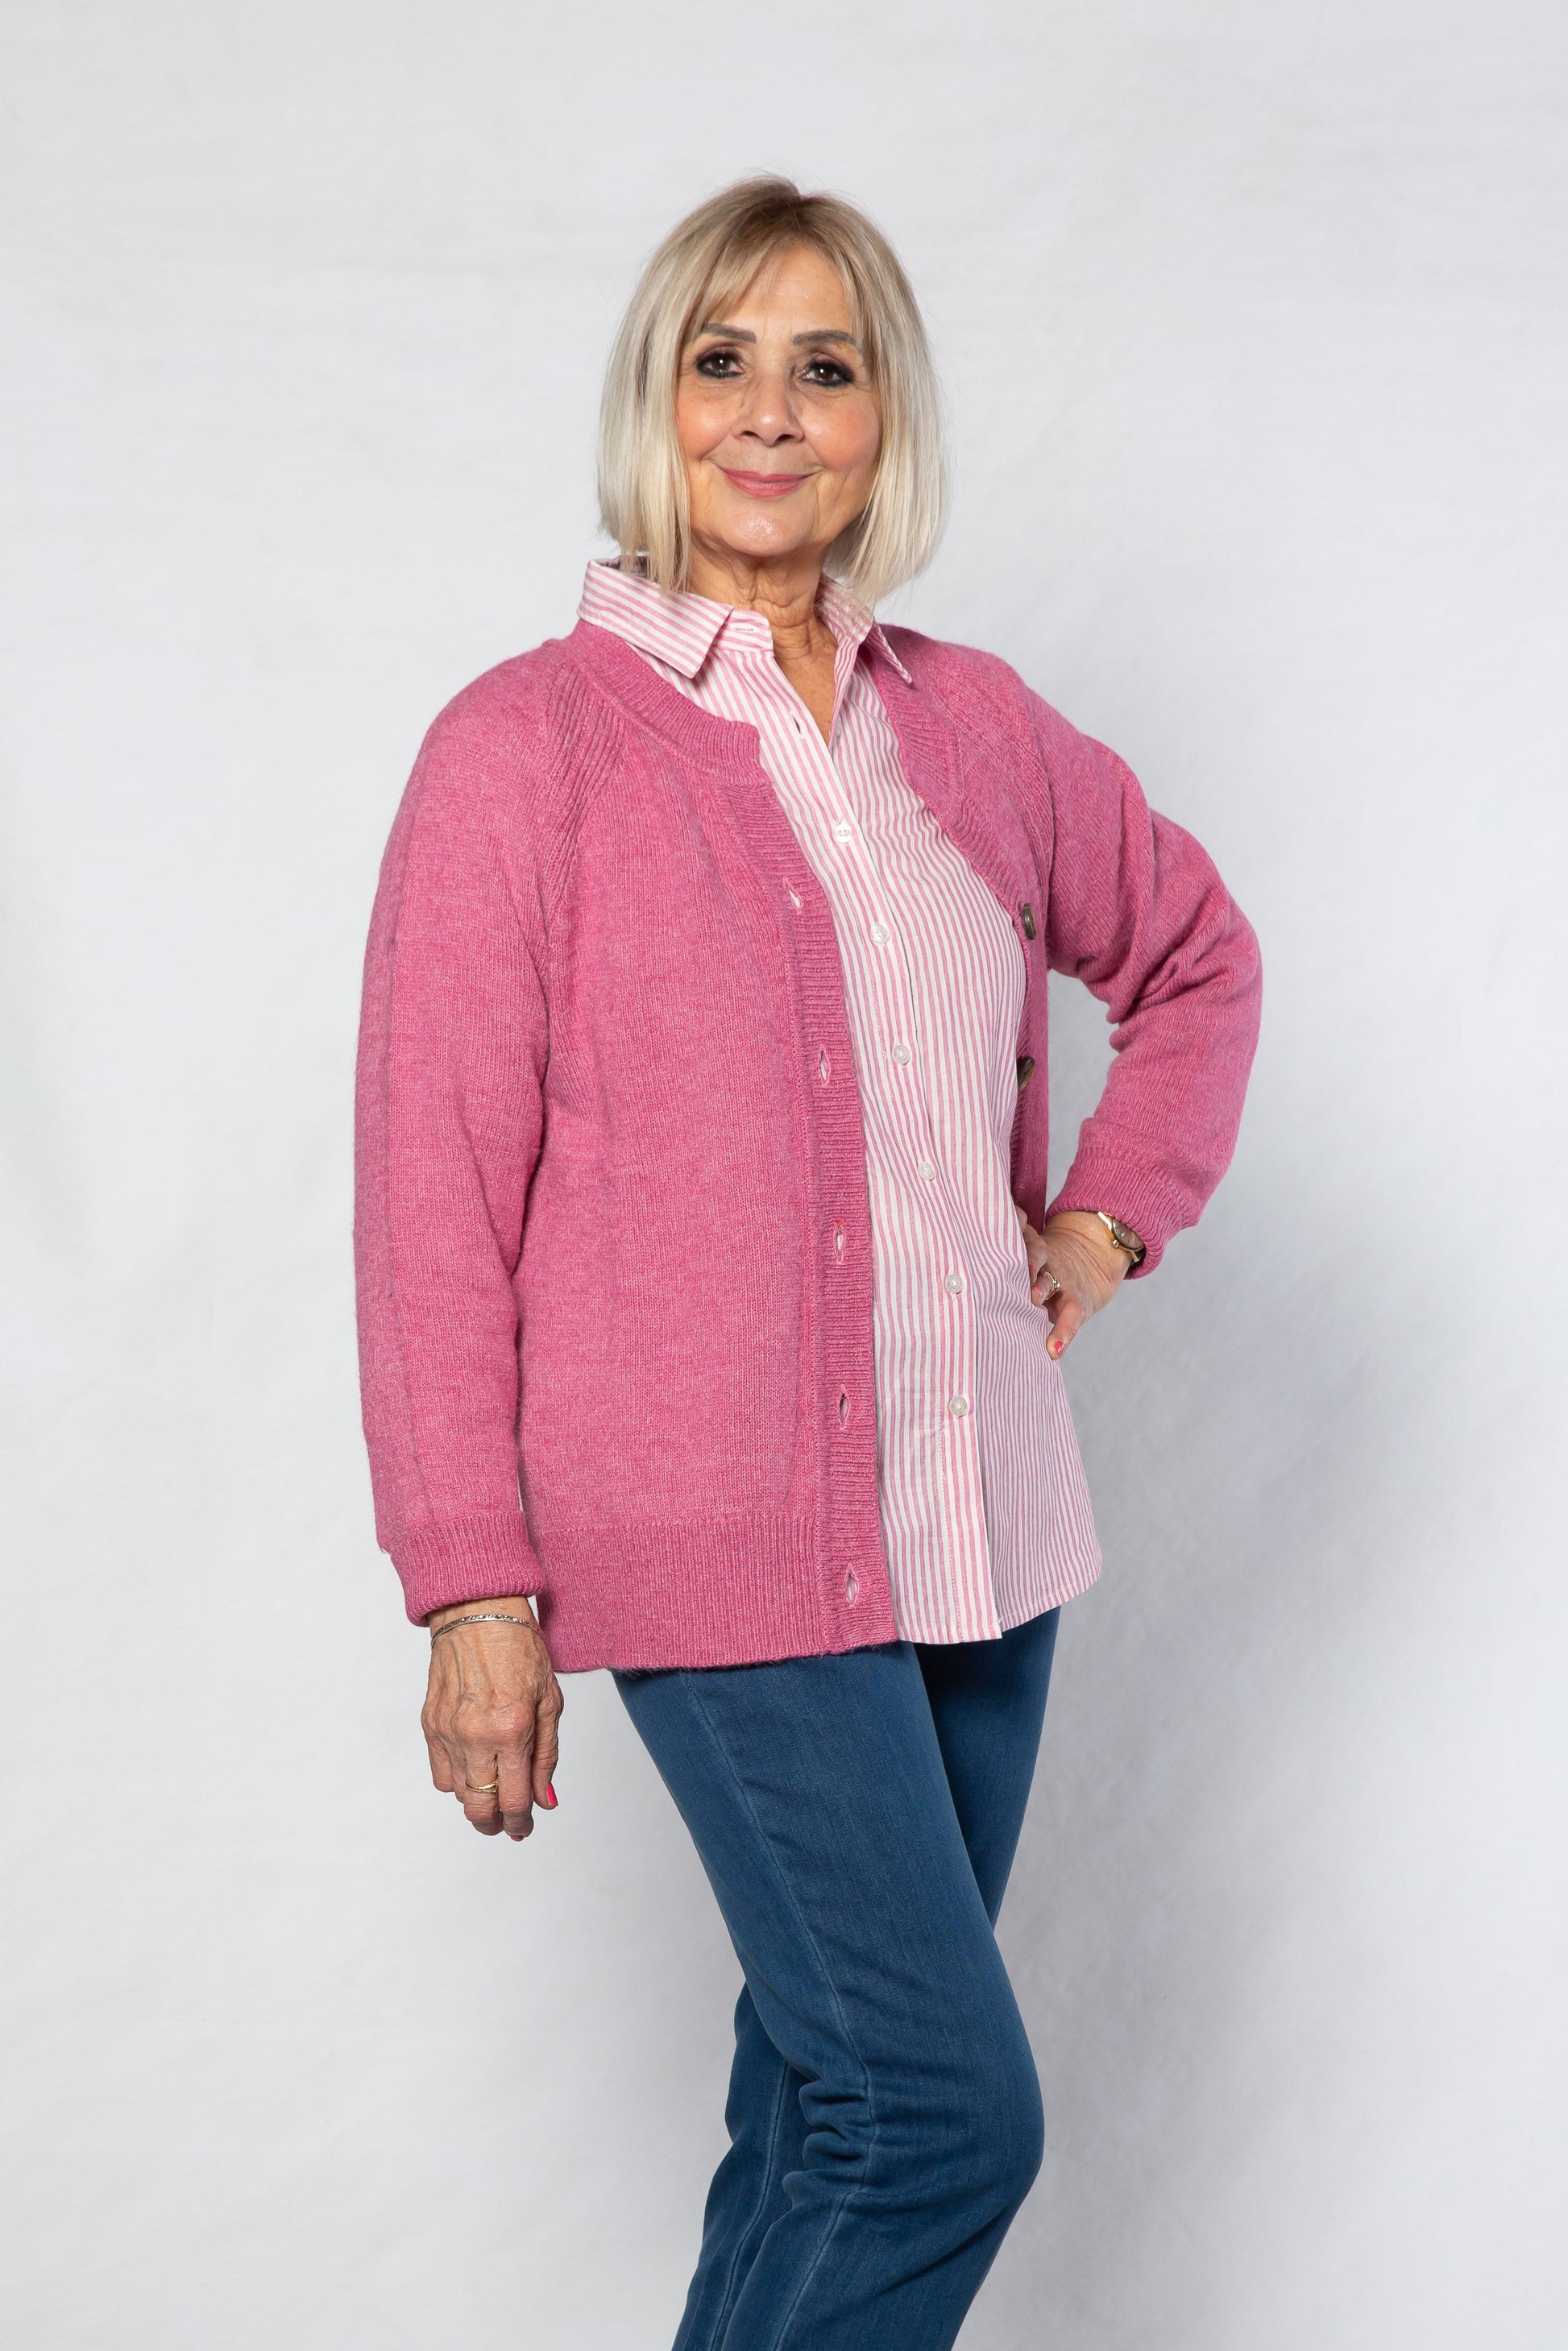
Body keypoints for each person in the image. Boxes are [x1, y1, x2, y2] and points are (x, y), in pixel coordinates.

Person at [355, 175, 1261, 2350]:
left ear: (885, 417)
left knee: (824, 2107)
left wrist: (1106, 1216)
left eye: (824, 364)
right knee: (935, 2117)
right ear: (657, 403)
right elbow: (426, 1191)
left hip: (982, 1526)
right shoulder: (526, 749)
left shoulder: (976, 729)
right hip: (717, 1536)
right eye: (721, 357)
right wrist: (473, 1587)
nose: (772, 412)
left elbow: (1196, 960)